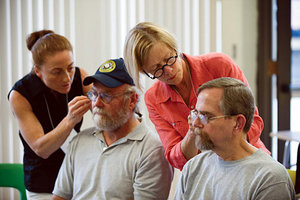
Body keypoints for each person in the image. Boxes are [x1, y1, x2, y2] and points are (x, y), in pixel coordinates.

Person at [123, 22, 270, 170]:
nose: (168, 70)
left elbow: (253, 124)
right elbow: (176, 158)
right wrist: (193, 132)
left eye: (169, 58)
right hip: (205, 175)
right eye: (157, 69)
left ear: (174, 48)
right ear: (145, 72)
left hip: (249, 162)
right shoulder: (154, 99)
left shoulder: (219, 66)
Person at [51, 58, 173, 200]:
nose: (96, 103)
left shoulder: (152, 150)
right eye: (94, 94)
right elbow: (60, 197)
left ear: (132, 100)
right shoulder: (79, 141)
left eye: (106, 96)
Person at [174, 77, 295, 200]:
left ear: (238, 123)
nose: (195, 124)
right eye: (196, 114)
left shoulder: (269, 179)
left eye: (206, 116)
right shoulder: (193, 167)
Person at [8, 30, 91, 199]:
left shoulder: (80, 75)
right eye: (57, 71)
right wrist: (70, 119)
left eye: (70, 68)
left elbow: (105, 105)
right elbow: (41, 148)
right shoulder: (20, 94)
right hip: (43, 182)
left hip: (78, 176)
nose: (67, 78)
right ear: (37, 71)